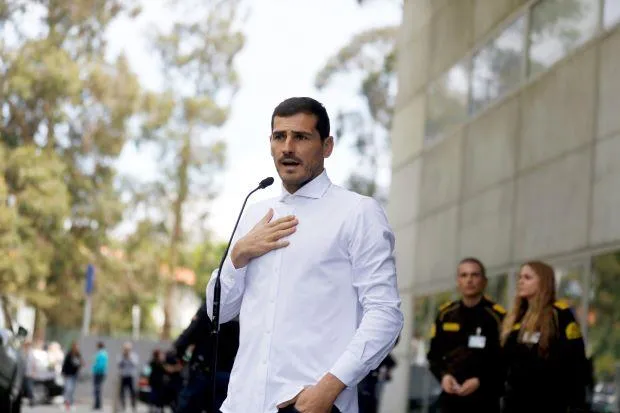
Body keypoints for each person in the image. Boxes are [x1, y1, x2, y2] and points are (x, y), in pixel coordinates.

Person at [205, 96, 403, 413]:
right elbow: (220, 312)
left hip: (308, 404)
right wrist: (237, 256)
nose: (287, 148)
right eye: (279, 136)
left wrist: (329, 388)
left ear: (327, 146)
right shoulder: (255, 213)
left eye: (300, 137)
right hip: (242, 403)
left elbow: (385, 314)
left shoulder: (357, 212)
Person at [501, 261, 588, 413]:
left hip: (548, 402)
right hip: (514, 403)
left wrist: (577, 404)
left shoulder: (559, 314)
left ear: (543, 281)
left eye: (527, 277)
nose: (521, 281)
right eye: (520, 277)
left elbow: (576, 361)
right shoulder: (516, 317)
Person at [426, 257, 506, 413]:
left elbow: (504, 361)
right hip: (451, 397)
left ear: (484, 281)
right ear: (458, 281)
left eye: (475, 275)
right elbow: (433, 355)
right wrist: (444, 376)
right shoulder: (445, 315)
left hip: (484, 399)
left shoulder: (497, 317)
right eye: (464, 275)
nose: (469, 280)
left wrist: (480, 381)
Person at [174, 304, 239, 413]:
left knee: (188, 406)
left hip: (203, 369)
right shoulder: (239, 307)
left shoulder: (210, 305)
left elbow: (188, 336)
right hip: (226, 373)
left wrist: (179, 354)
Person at [61, 341, 84, 411]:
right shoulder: (69, 354)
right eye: (75, 346)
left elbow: (81, 363)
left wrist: (81, 364)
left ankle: (70, 403)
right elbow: (65, 364)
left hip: (74, 375)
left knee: (72, 390)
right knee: (68, 389)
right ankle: (66, 403)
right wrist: (63, 372)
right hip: (68, 374)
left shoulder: (78, 354)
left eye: (77, 347)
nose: (76, 348)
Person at [118, 342, 139, 412]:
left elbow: (135, 364)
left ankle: (133, 406)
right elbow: (119, 365)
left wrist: (129, 357)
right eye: (125, 349)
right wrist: (124, 358)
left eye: (128, 349)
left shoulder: (134, 355)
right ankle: (123, 406)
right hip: (123, 376)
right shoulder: (121, 356)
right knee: (122, 392)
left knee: (133, 392)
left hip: (131, 376)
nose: (126, 350)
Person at [92, 341, 108, 410]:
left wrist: (95, 368)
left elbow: (101, 365)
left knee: (97, 388)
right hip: (100, 373)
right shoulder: (103, 353)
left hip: (99, 373)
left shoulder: (101, 354)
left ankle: (97, 404)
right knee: (98, 388)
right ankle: (97, 403)